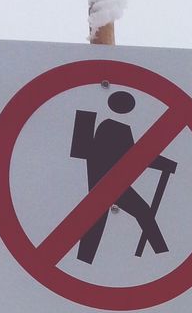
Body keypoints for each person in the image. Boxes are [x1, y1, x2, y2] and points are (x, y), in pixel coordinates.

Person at [70, 90, 176, 264]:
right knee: (140, 212)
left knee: (99, 221)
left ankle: (82, 261)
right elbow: (135, 157)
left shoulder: (113, 126)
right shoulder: (114, 127)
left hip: (111, 183)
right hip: (108, 184)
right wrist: (165, 164)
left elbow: (134, 157)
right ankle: (164, 256)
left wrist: (165, 164)